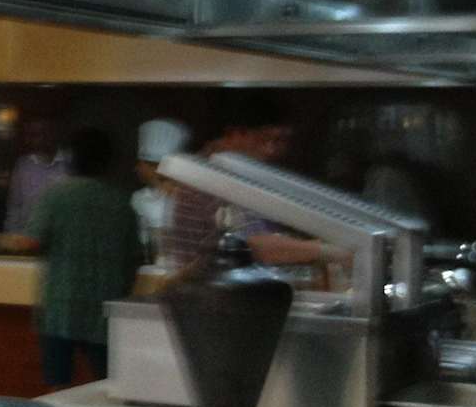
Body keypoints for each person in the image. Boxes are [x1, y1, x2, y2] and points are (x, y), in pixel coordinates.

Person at [160, 93, 347, 274]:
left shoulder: (238, 174)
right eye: (264, 139)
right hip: (207, 289)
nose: (271, 149)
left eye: (281, 140)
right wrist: (330, 251)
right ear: (234, 134)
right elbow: (255, 245)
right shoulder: (211, 176)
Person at [28, 127, 144, 387]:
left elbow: (32, 241)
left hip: (60, 305)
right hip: (104, 308)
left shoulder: (56, 195)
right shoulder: (121, 202)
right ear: (109, 161)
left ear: (71, 157)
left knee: (58, 386)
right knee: (107, 386)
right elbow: (134, 258)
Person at [132, 118, 189, 264]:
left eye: (140, 163)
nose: (136, 168)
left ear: (155, 167)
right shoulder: (139, 198)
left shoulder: (187, 199)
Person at [2, 115, 70, 234]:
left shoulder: (70, 164)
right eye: (32, 134)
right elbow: (15, 206)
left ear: (52, 133)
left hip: (61, 236)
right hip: (28, 236)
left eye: (40, 133)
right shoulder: (23, 165)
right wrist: (11, 236)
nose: (37, 139)